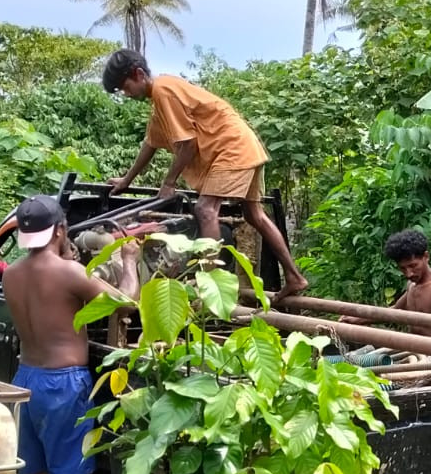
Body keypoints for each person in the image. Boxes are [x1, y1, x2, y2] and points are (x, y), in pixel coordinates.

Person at [3, 195, 141, 474]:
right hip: (63, 384)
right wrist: (129, 261)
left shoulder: (12, 274)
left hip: (26, 378)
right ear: (60, 230)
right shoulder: (67, 273)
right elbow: (126, 304)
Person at [100, 48, 307, 303]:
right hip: (244, 146)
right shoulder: (161, 100)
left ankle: (214, 286)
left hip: (231, 149)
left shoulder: (165, 90)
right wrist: (126, 180)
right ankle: (294, 277)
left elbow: (188, 144)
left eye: (125, 87)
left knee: (206, 210)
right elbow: (150, 144)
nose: (126, 94)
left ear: (139, 74)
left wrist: (169, 182)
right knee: (254, 215)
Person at [340, 230, 431, 339]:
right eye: (403, 268)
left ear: (426, 257)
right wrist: (358, 319)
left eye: (413, 266)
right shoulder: (411, 285)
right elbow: (395, 311)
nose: (408, 273)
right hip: (413, 347)